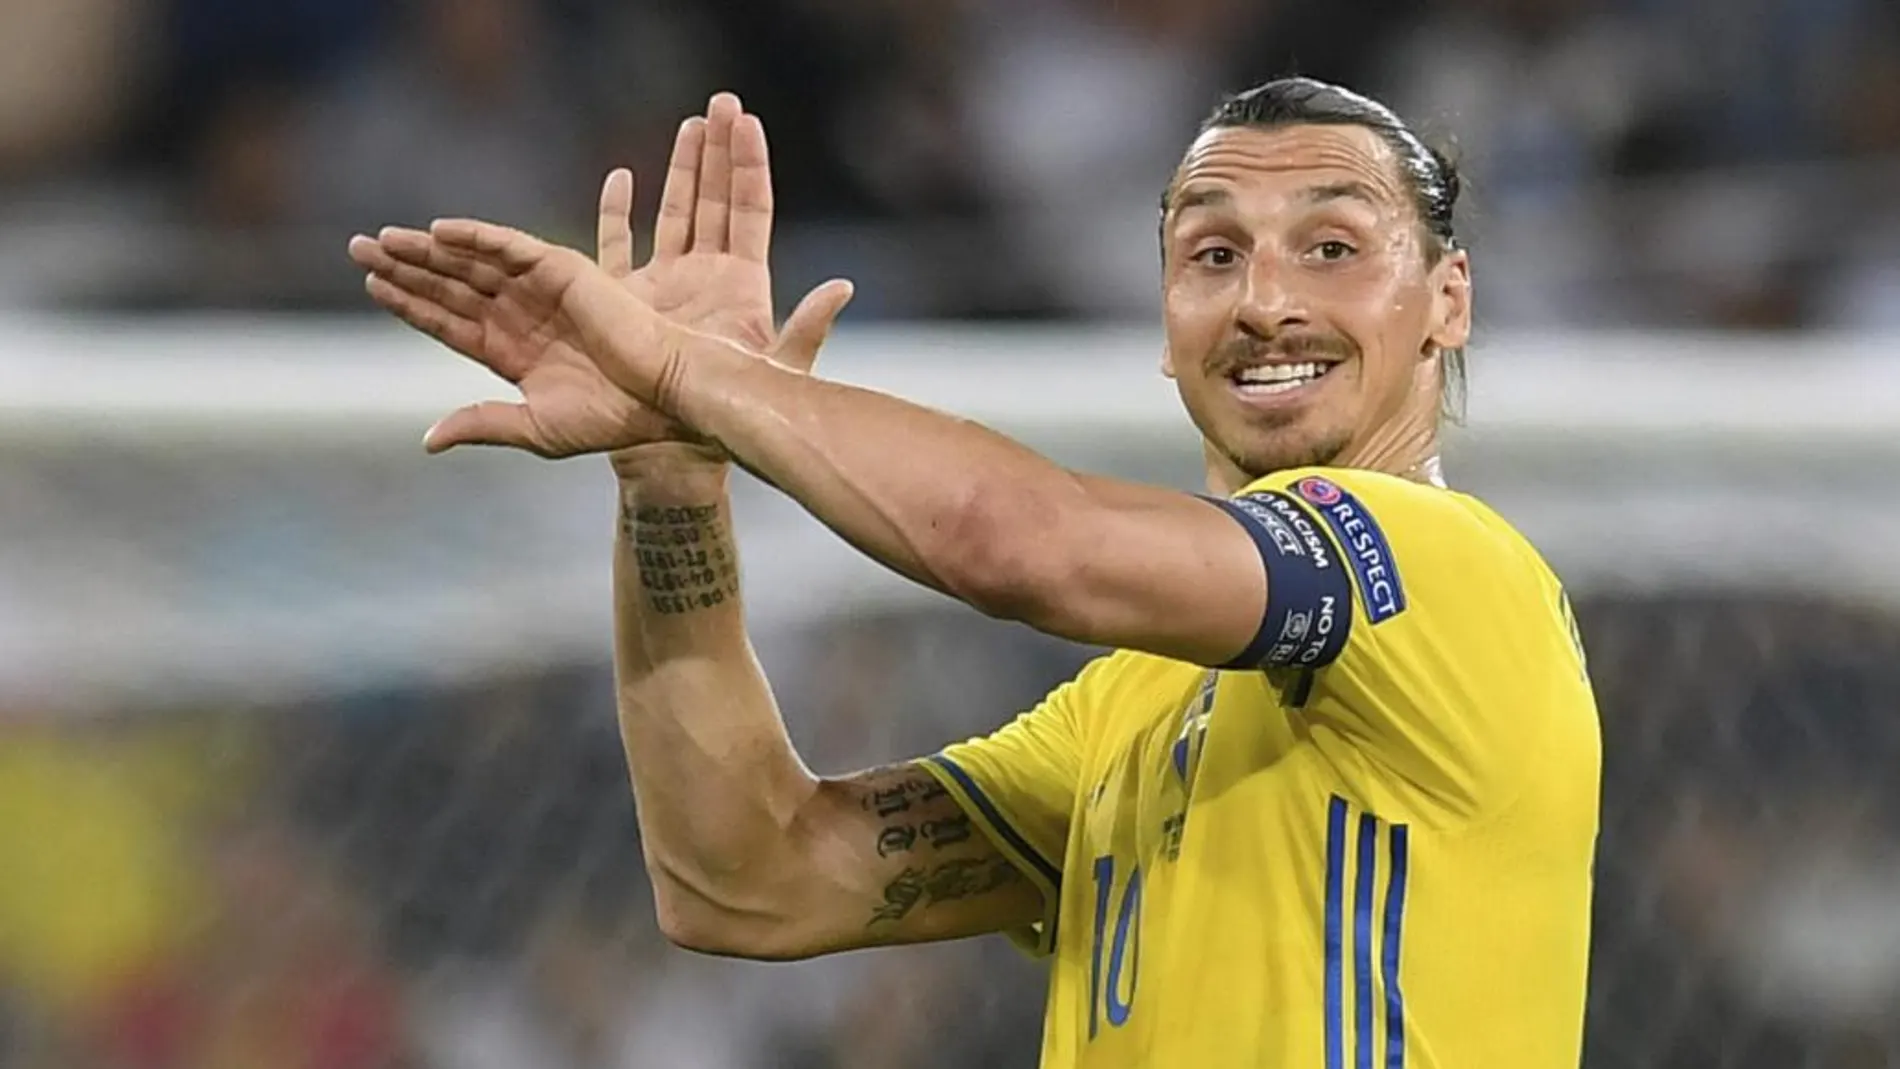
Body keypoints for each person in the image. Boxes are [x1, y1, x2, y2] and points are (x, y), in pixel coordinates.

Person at [347, 78, 1601, 1068]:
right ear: (1165, 322)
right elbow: (748, 879)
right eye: (1212, 256)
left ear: (1447, 299)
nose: (1263, 301)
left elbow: (1020, 543)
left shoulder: (1443, 569)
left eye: (1332, 247)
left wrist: (697, 376)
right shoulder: (1129, 705)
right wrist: (678, 483)